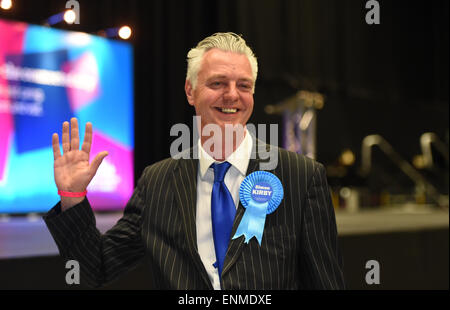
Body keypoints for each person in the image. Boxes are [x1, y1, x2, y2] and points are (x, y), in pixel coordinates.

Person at [44, 32, 345, 290]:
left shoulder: (301, 177)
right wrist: (72, 197)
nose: (232, 95)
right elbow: (95, 268)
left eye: (243, 85)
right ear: (190, 91)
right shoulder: (157, 183)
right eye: (218, 83)